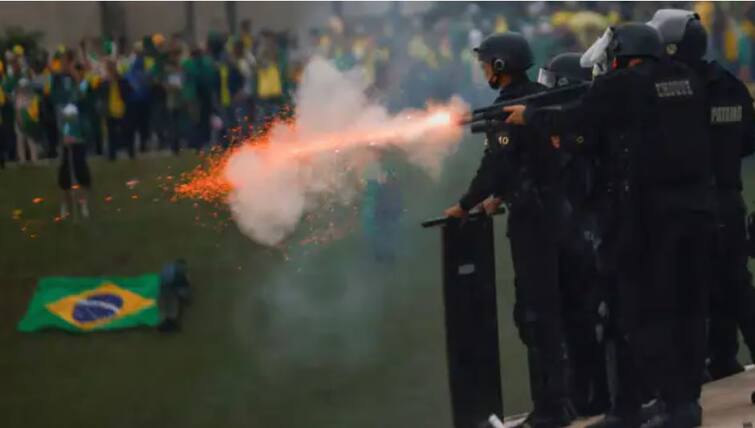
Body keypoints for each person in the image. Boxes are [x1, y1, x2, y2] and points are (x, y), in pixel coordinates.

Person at [505, 23, 715, 428]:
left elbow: (578, 120)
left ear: (625, 54)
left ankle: (666, 407)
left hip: (650, 219)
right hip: (697, 213)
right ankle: (681, 404)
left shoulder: (620, 85)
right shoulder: (685, 79)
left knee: (639, 315)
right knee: (688, 313)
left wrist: (529, 115)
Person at [445, 32, 577, 428]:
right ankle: (568, 399)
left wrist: (465, 204)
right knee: (562, 311)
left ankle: (551, 409)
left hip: (534, 221)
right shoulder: (539, 95)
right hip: (560, 214)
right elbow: (526, 158)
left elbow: (498, 165)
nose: (484, 67)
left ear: (501, 65)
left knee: (537, 316)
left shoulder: (510, 107)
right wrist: (498, 195)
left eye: (487, 62)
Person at [648, 9, 755, 381]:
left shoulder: (675, 90)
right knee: (735, 285)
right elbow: (747, 141)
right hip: (728, 198)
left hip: (692, 201)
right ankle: (723, 359)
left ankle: (700, 372)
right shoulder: (731, 85)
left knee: (695, 289)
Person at [537, 52, 610, 418]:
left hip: (589, 241)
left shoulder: (581, 132)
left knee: (588, 324)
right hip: (583, 239)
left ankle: (595, 397)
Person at [58, 103, 91, 219]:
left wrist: (76, 140)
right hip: (67, 153)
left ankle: (83, 204)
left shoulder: (82, 123)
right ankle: (64, 205)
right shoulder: (64, 124)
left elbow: (87, 137)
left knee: (83, 179)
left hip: (79, 153)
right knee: (64, 181)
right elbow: (62, 137)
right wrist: (65, 140)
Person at [103, 58, 132, 160]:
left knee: (126, 132)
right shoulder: (105, 83)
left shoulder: (121, 80)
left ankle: (130, 152)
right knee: (112, 135)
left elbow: (128, 91)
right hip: (110, 111)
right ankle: (112, 155)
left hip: (121, 110)